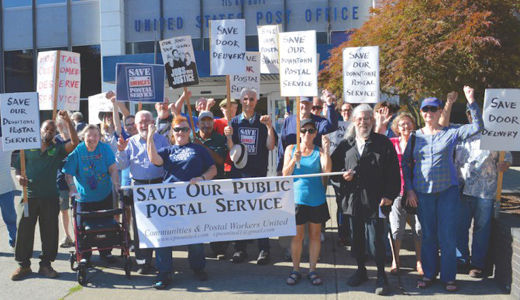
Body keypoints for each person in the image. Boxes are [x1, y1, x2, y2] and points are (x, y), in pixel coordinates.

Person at [403, 86, 483, 292]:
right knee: (428, 235)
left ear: (440, 112)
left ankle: (449, 277)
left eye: (433, 109)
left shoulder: (451, 132)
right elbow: (405, 164)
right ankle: (429, 274)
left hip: (447, 192)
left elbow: (477, 127)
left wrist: (471, 101)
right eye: (425, 110)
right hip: (422, 193)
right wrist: (409, 190)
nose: (429, 113)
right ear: (421, 113)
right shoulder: (414, 137)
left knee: (447, 236)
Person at [438, 98, 513, 278]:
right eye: (472, 113)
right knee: (460, 227)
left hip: (485, 191)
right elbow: (442, 125)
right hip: (461, 189)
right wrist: (449, 102)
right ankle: (461, 260)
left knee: (482, 228)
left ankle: (477, 264)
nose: (475, 116)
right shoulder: (460, 131)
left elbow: (507, 157)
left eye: (479, 113)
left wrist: (506, 164)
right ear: (468, 115)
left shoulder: (496, 134)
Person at [331, 104, 400, 295]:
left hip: (376, 201)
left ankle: (381, 276)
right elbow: (334, 172)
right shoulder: (346, 144)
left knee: (376, 242)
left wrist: (389, 195)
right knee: (357, 240)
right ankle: (361, 271)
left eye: (367, 118)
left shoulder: (383, 143)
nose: (363, 122)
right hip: (353, 202)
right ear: (354, 121)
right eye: (360, 119)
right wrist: (342, 178)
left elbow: (394, 173)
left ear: (373, 120)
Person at [147, 116, 217, 289]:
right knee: (165, 237)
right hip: (169, 201)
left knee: (195, 237)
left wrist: (201, 178)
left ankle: (198, 268)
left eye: (184, 129)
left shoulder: (198, 150)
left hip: (192, 201)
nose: (180, 132)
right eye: (177, 129)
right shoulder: (167, 150)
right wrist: (149, 136)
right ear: (172, 132)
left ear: (189, 132)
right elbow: (154, 160)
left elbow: (213, 169)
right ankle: (164, 273)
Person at [11, 111, 79, 281]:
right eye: (46, 129)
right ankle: (23, 265)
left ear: (55, 133)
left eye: (52, 130)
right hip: (28, 197)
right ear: (40, 130)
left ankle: (46, 265)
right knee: (24, 230)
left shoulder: (57, 149)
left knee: (49, 232)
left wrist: (68, 121)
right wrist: (19, 177)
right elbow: (18, 167)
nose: (49, 132)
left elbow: (75, 142)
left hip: (49, 197)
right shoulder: (27, 145)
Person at [224, 88, 277, 265]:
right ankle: (240, 249)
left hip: (258, 173)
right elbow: (232, 150)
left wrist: (269, 127)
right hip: (239, 174)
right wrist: (229, 137)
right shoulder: (234, 122)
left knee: (260, 213)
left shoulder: (263, 122)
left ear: (256, 101)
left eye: (252, 99)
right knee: (241, 213)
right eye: (245, 99)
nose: (248, 102)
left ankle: (264, 250)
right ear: (240, 101)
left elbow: (270, 146)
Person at [116, 110, 170, 274]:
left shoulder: (162, 140)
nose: (144, 124)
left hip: (158, 186)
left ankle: (161, 262)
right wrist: (120, 151)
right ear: (136, 124)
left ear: (153, 122)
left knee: (159, 226)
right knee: (140, 227)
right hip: (138, 188)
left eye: (148, 121)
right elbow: (121, 165)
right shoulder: (130, 142)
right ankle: (143, 262)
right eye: (141, 122)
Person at [282, 119, 331, 286]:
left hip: (316, 199)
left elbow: (327, 171)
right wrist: (292, 161)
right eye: (303, 131)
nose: (307, 134)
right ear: (299, 133)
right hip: (297, 200)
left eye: (311, 131)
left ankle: (312, 269)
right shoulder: (291, 148)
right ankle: (296, 269)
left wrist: (327, 150)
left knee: (315, 236)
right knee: (297, 236)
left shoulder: (319, 151)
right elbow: (285, 174)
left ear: (315, 133)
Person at [63, 125, 120, 266]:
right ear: (83, 136)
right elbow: (68, 173)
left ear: (100, 137)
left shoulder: (105, 149)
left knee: (105, 225)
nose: (93, 138)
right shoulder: (78, 151)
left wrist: (116, 183)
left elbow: (112, 169)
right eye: (89, 135)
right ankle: (84, 255)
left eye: (96, 135)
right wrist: (72, 188)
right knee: (82, 228)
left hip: (104, 194)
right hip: (84, 197)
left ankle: (105, 252)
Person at [388, 112, 423, 275]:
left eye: (408, 123)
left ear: (413, 125)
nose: (405, 126)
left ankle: (420, 261)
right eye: (402, 124)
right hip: (396, 191)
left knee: (419, 228)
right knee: (396, 228)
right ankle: (396, 260)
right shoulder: (391, 143)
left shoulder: (420, 143)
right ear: (396, 128)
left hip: (417, 191)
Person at [193, 111, 229, 258]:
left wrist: (202, 147)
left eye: (209, 121)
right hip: (196, 183)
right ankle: (198, 250)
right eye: (203, 121)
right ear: (198, 123)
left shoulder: (220, 139)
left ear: (213, 123)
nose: (206, 124)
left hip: (216, 182)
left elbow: (220, 160)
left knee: (217, 216)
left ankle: (219, 249)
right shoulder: (191, 137)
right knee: (197, 216)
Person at [277, 90, 339, 173]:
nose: (305, 106)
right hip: (291, 169)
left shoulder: (319, 122)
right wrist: (279, 169)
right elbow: (282, 145)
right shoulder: (289, 121)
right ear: (298, 103)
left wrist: (329, 104)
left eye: (308, 103)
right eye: (303, 103)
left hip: (313, 168)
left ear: (311, 105)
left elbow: (332, 126)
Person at [55, 116, 74, 248]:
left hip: (76, 180)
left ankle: (78, 234)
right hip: (61, 180)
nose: (62, 126)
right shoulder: (55, 140)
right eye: (59, 124)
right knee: (64, 210)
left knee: (77, 209)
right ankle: (67, 235)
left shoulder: (75, 138)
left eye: (65, 123)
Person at [0, 130, 16, 251]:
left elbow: (23, 141)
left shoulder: (7, 142)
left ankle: (15, 240)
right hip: (6, 188)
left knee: (10, 217)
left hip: (6, 189)